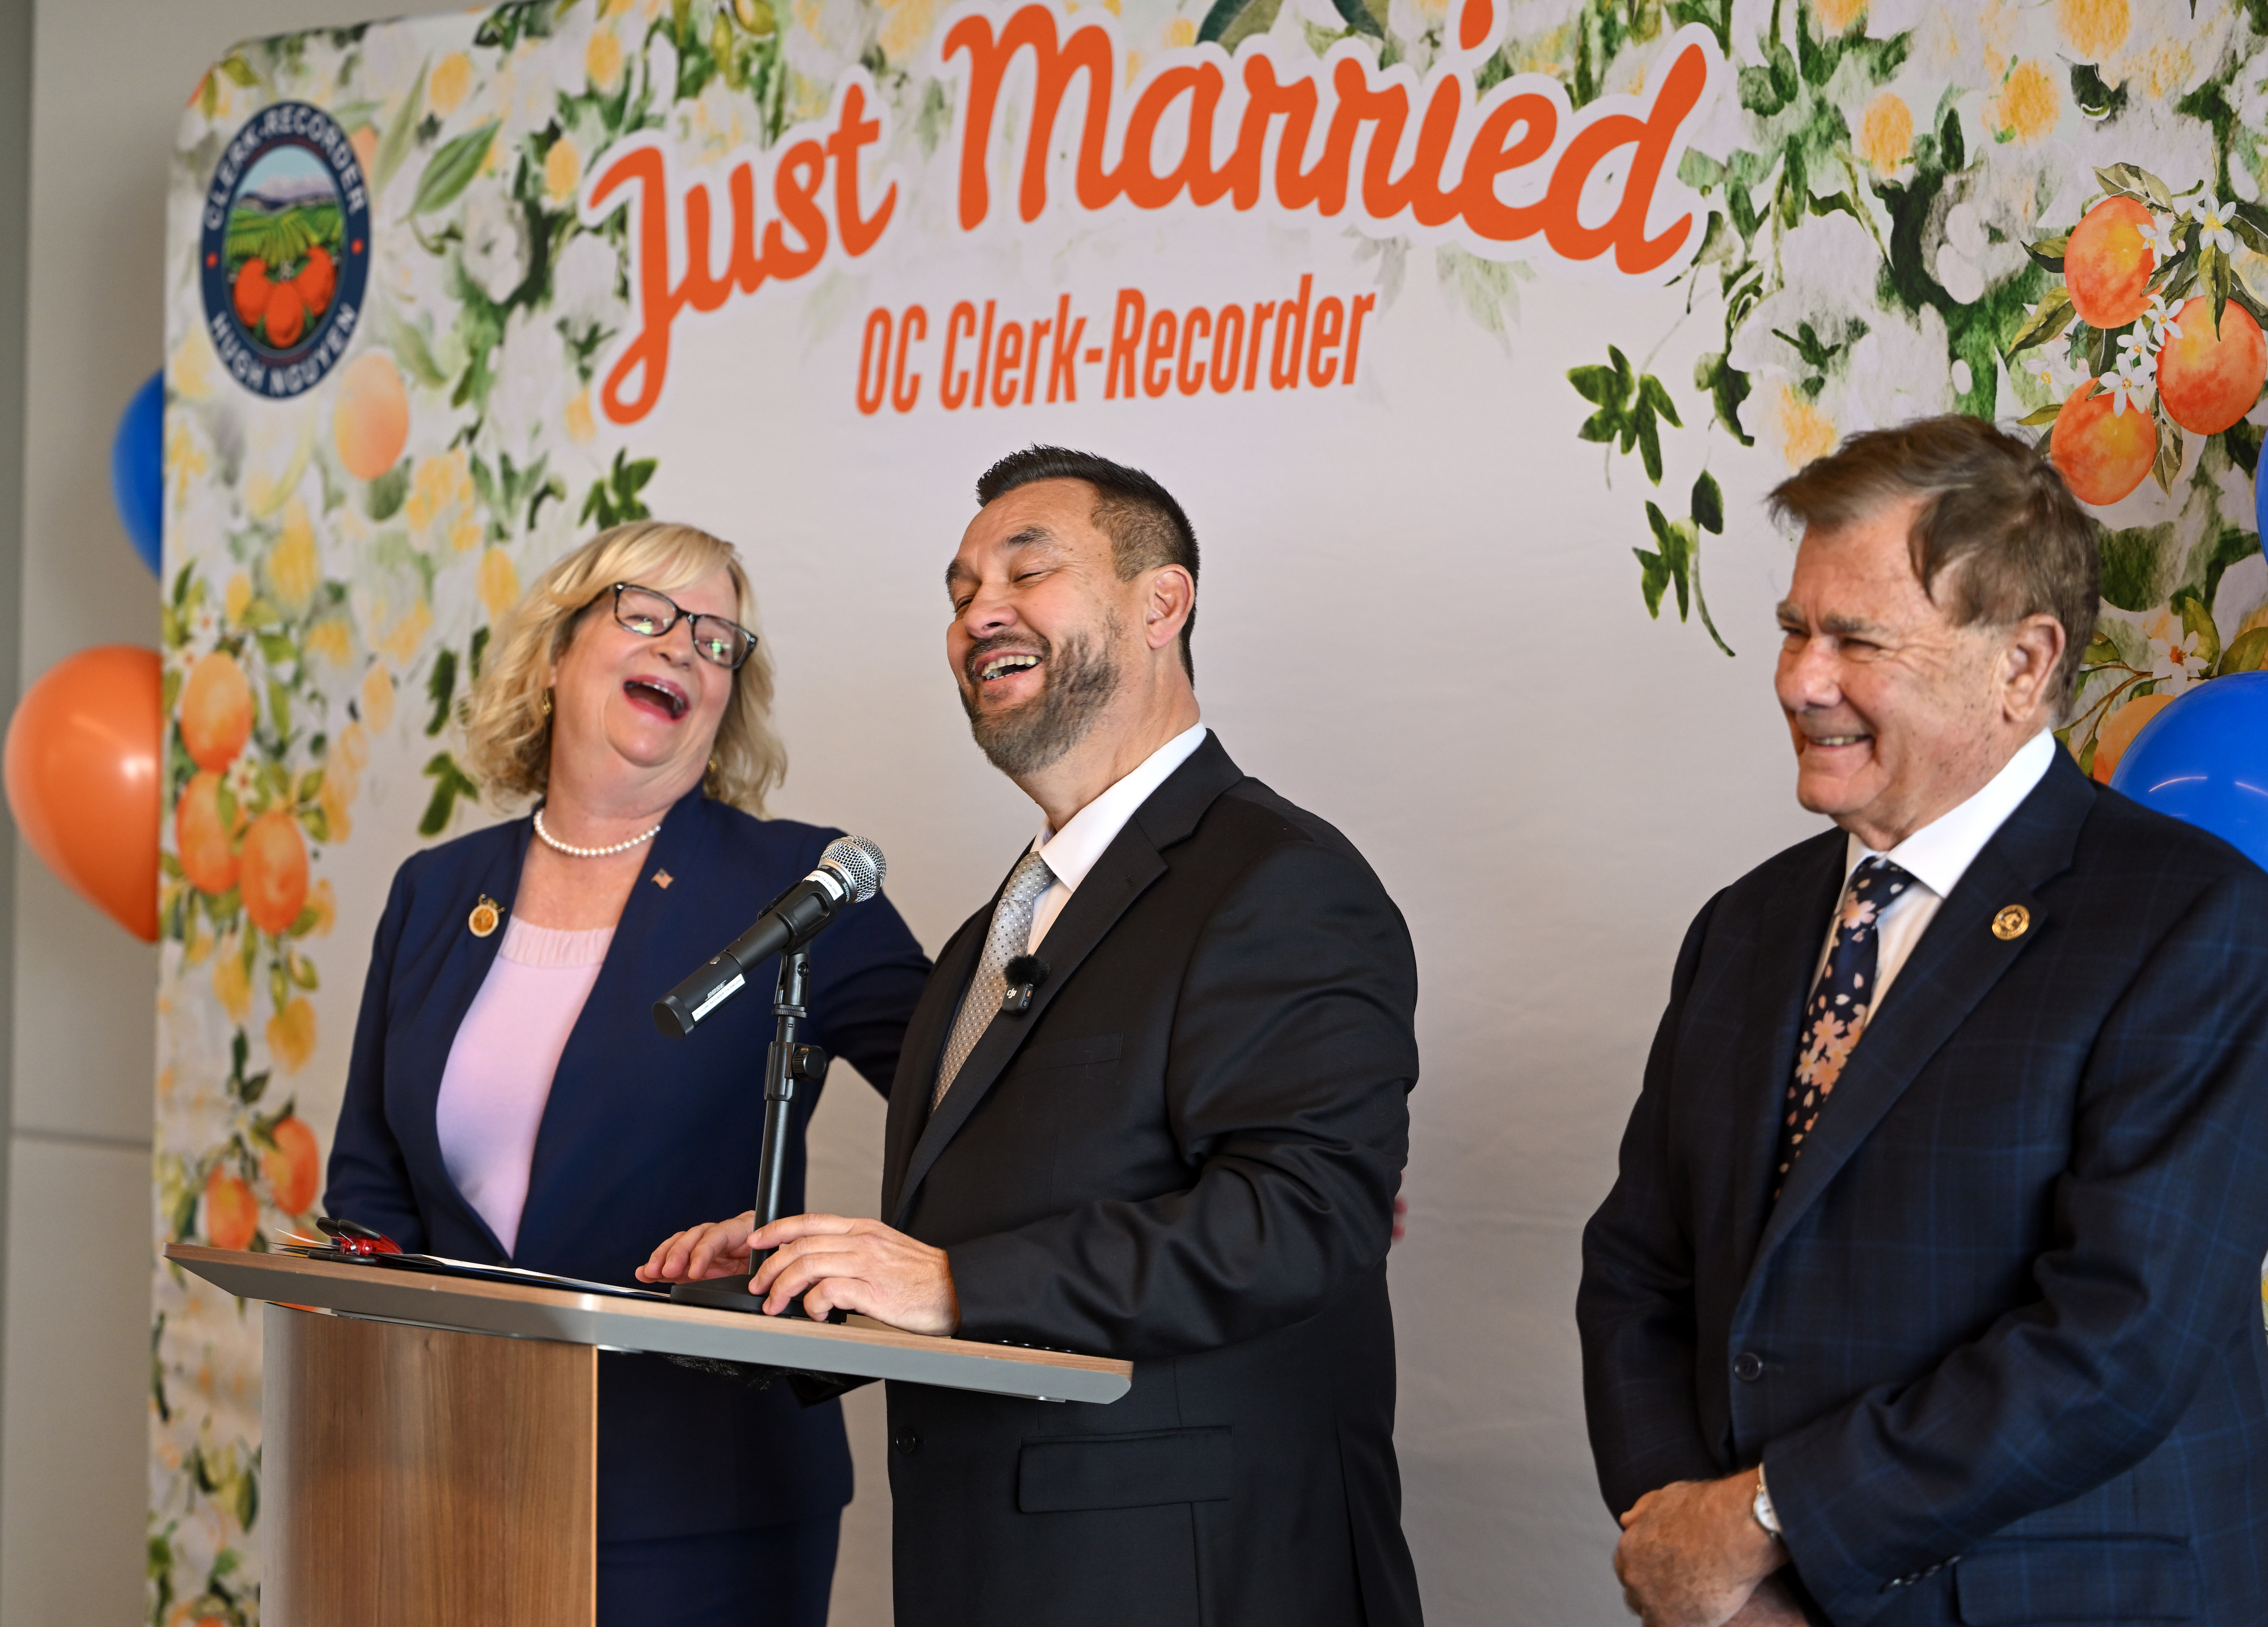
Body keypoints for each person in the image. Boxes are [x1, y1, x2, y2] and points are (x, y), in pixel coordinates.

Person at [638, 447, 1425, 1627]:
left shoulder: (1279, 881)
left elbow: (1301, 1218)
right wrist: (803, 1284)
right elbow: (972, 1261)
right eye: (958, 591)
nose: (977, 612)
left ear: (1161, 603)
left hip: (1190, 1584)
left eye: (1026, 570)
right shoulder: (983, 937)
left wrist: (952, 1279)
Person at [1577, 416, 2268, 1627]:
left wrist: (1768, 1519)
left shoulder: (2190, 920)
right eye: (1795, 628)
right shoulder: (1743, 926)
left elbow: (2120, 1339)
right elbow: (1639, 1268)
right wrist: (1704, 1558)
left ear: (2019, 662)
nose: (1799, 677)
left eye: (1857, 639)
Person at [324, 520, 933, 1627]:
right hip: (451, 1476)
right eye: (645, 613)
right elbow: (371, 1190)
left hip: (699, 1502)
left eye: (716, 637)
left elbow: (986, 1103)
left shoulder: (798, 883)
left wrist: (858, 1266)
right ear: (559, 649)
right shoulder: (432, 889)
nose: (685, 646)